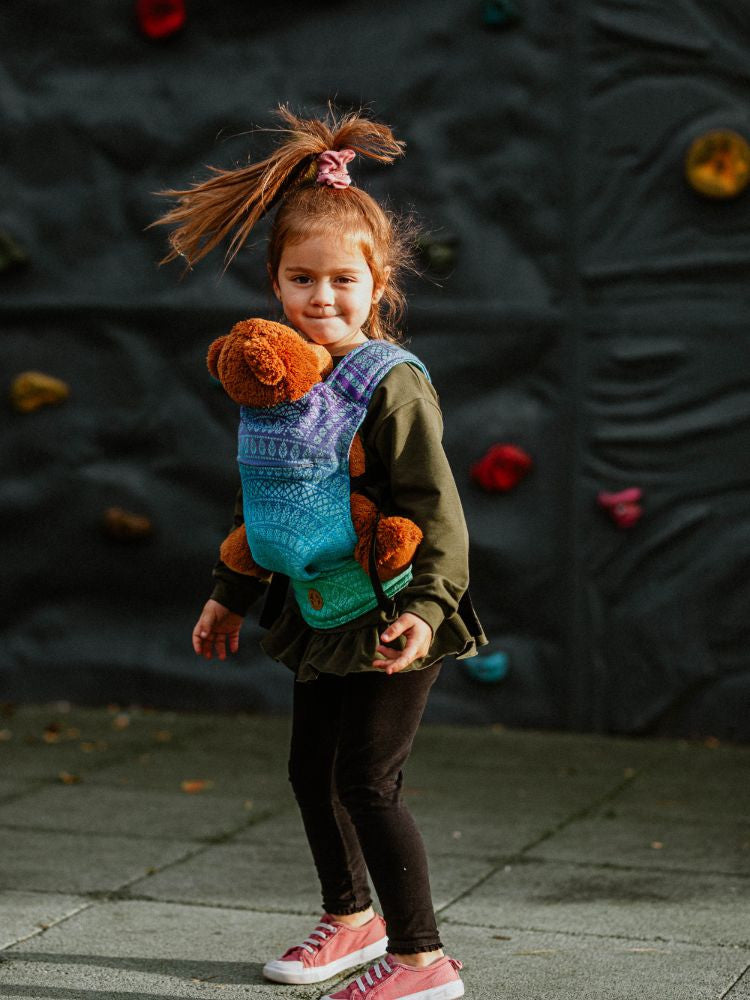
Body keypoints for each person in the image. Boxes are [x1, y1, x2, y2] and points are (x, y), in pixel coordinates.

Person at [152, 106, 485, 1000]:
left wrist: (424, 612)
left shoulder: (392, 385)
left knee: (369, 783)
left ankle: (423, 962)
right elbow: (261, 501)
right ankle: (351, 918)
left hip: (395, 613)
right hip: (318, 610)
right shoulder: (276, 375)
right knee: (313, 772)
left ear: (378, 281)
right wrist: (228, 591)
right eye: (302, 279)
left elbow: (438, 511)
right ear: (276, 281)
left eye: (343, 280)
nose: (322, 298)